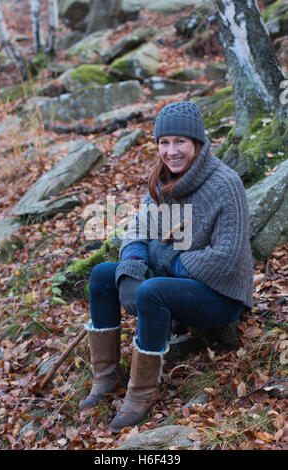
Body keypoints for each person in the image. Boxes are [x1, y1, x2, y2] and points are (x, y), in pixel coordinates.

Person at [79, 101, 254, 432]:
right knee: (105, 274)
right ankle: (105, 377)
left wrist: (170, 261)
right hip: (173, 281)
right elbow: (138, 231)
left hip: (220, 296)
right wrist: (131, 266)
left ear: (197, 144)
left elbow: (227, 260)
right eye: (164, 142)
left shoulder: (225, 184)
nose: (171, 151)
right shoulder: (160, 182)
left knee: (154, 290)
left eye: (180, 142)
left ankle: (141, 393)